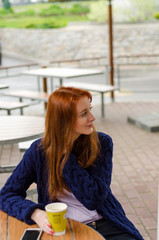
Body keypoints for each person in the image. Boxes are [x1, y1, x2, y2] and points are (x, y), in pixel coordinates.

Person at [0, 87, 143, 240]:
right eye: (84, 114)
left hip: (106, 224)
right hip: (65, 228)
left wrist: (64, 154)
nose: (92, 118)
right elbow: (6, 195)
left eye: (90, 110)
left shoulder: (102, 143)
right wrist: (35, 213)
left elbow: (93, 199)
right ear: (64, 121)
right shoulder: (38, 151)